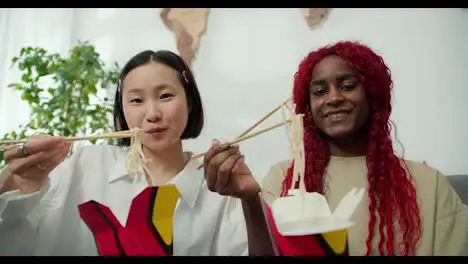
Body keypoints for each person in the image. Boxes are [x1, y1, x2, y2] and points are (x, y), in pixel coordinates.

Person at [0, 50, 272, 256]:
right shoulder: (84, 164)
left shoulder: (218, 187)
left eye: (165, 96)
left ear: (189, 102)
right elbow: (14, 238)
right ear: (123, 109)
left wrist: (250, 199)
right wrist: (19, 183)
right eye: (137, 100)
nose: (152, 114)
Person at [261, 41, 468, 256]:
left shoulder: (430, 184)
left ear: (372, 94)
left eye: (348, 86)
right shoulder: (283, 180)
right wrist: (249, 200)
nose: (333, 98)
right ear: (308, 107)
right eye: (320, 91)